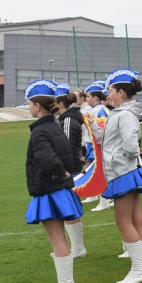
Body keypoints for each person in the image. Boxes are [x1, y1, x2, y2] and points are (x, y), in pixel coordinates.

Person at [23, 79, 82, 283]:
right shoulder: (55, 125)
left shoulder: (39, 131)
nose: (28, 108)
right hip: (58, 189)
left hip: (49, 190)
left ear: (38, 106)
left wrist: (60, 172)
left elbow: (48, 160)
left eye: (30, 104)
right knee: (60, 239)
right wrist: (64, 172)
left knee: (57, 239)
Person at [101, 68, 142, 283]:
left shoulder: (124, 114)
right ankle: (139, 266)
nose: (108, 95)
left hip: (123, 171)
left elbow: (130, 143)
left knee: (123, 221)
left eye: (111, 91)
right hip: (127, 170)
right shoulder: (123, 113)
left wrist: (133, 152)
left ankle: (140, 269)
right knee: (134, 219)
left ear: (121, 93)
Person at [54, 83, 88, 259]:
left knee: (69, 210)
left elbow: (66, 147)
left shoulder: (67, 120)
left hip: (70, 170)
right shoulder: (67, 118)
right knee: (72, 209)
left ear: (60, 103)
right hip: (72, 167)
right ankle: (78, 247)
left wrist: (63, 169)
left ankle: (77, 248)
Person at [83, 81, 112, 211]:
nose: (86, 99)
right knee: (97, 171)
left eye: (88, 96)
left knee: (102, 172)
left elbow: (103, 130)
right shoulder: (96, 109)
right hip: (94, 144)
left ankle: (105, 199)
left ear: (95, 97)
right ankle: (98, 196)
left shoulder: (100, 110)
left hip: (99, 145)